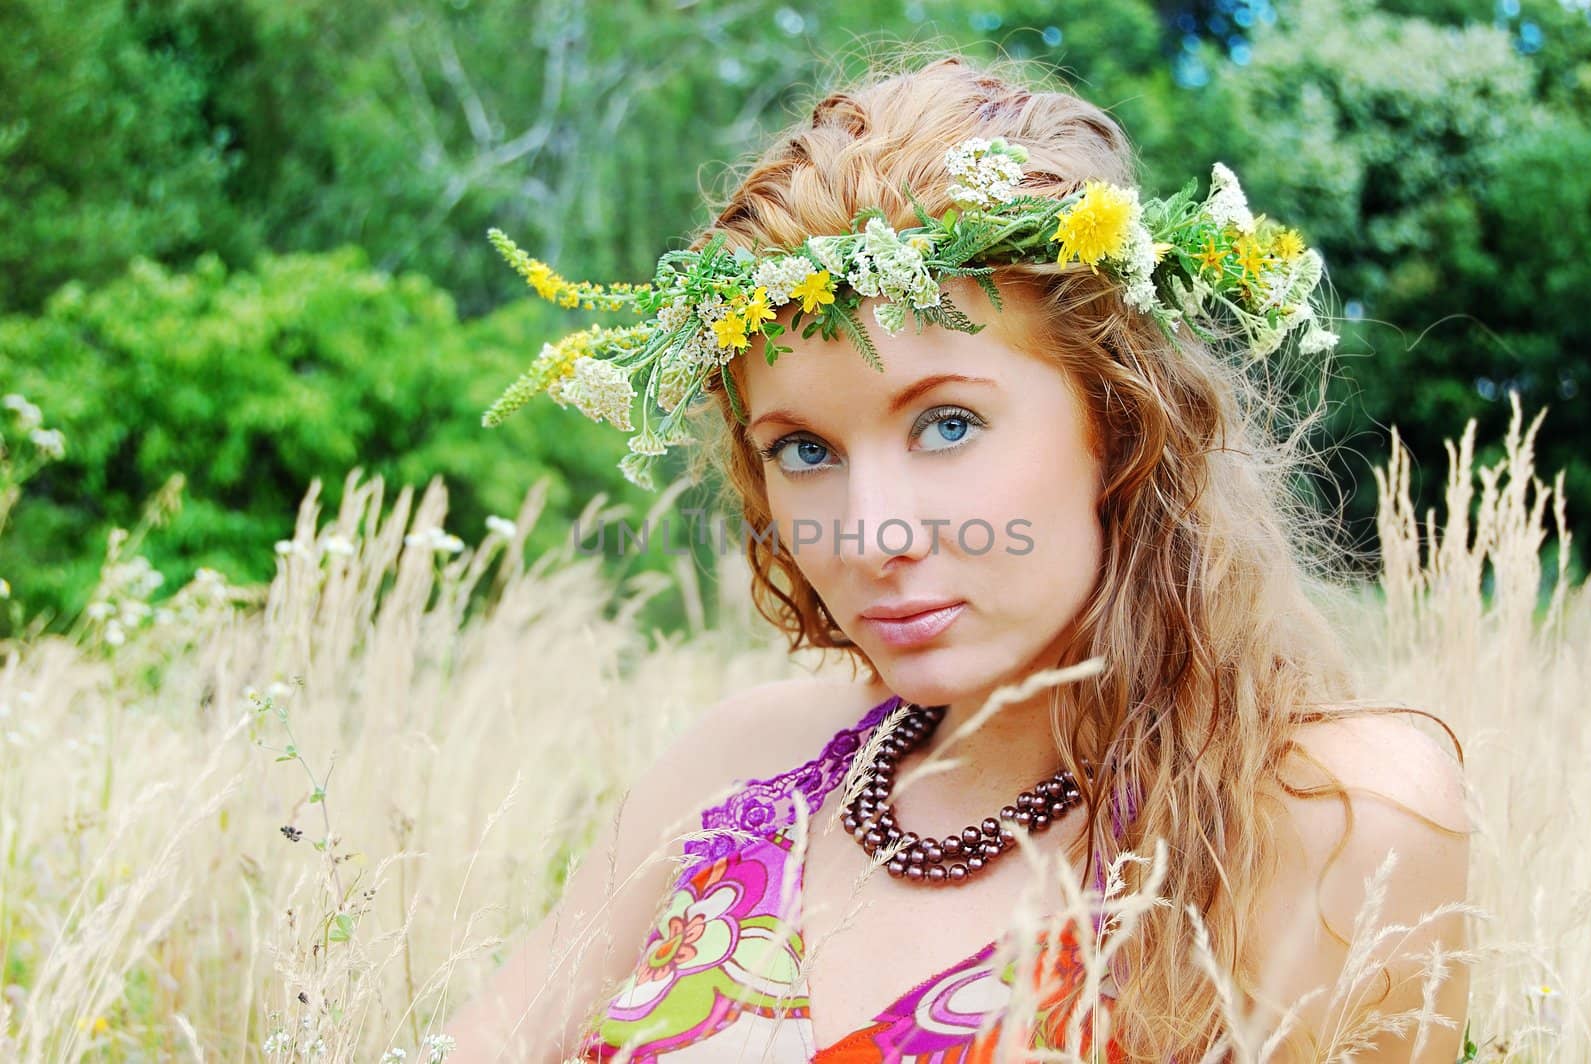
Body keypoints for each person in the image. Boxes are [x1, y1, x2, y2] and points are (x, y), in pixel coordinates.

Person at [443, 49, 1472, 1062]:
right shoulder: (740, 770)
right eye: (804, 450)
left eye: (944, 424)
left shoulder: (1327, 816)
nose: (872, 533)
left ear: (1117, 423)